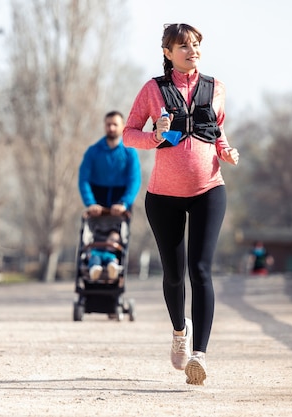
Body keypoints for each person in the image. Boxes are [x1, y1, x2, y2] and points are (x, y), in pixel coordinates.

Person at [122, 23, 239, 385]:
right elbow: (129, 134)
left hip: (208, 189)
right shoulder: (153, 90)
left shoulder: (216, 88)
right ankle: (179, 333)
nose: (193, 50)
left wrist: (226, 151)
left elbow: (216, 131)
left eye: (196, 44)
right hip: (164, 197)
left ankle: (200, 356)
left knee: (200, 270)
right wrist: (155, 137)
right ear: (168, 53)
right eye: (184, 45)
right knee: (174, 274)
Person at [78, 111, 141, 217]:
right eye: (108, 124)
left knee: (115, 234)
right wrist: (91, 203)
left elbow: (134, 180)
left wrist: (124, 203)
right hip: (97, 201)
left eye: (115, 125)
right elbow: (84, 179)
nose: (111, 128)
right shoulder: (93, 151)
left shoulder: (130, 153)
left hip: (120, 200)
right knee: (92, 233)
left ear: (123, 127)